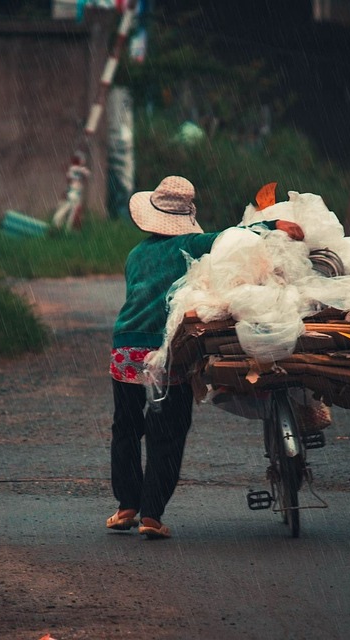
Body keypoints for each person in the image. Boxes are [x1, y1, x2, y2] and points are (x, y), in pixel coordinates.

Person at [107, 176, 304, 539]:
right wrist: (274, 224)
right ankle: (151, 515)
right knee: (168, 431)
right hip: (169, 350)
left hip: (126, 348)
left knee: (127, 428)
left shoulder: (136, 254)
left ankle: (126, 507)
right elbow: (236, 237)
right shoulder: (195, 244)